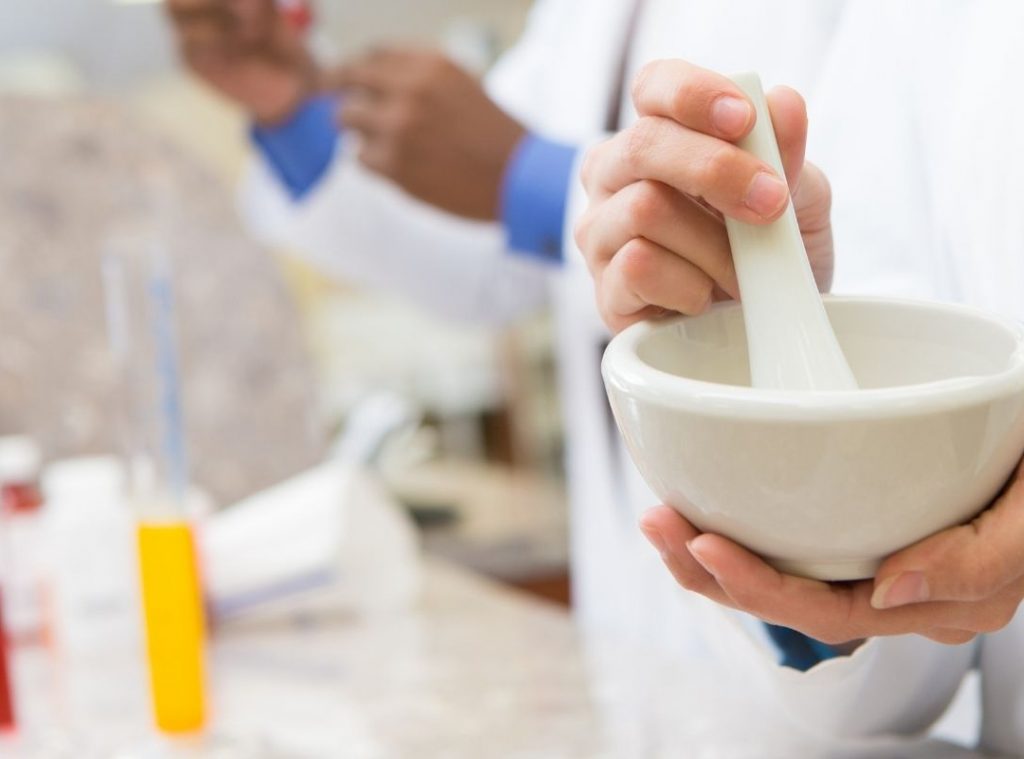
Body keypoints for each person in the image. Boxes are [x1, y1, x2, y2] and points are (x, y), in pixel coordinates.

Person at [167, 0, 1024, 752]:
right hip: (688, 647)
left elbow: (898, 306)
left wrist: (531, 177)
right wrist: (293, 111)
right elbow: (484, 264)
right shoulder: (584, 14)